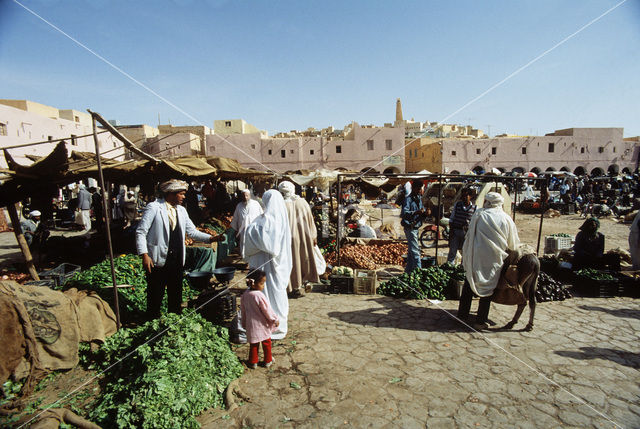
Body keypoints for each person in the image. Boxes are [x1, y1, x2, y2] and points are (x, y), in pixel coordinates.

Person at [136, 179, 223, 318]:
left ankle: (173, 321)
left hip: (176, 260)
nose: (184, 197)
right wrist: (144, 255)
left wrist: (211, 238)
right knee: (155, 294)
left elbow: (192, 232)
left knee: (175, 294)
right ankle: (152, 321)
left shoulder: (181, 210)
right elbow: (141, 232)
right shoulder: (154, 207)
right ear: (171, 193)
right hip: (157, 259)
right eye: (181, 194)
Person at [457, 192, 520, 330]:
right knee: (488, 289)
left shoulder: (480, 215)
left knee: (469, 283)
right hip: (494, 260)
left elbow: (469, 235)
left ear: (488, 202)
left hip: (476, 258)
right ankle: (480, 320)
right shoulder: (506, 218)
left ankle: (462, 315)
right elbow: (513, 244)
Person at [243, 190, 292, 340]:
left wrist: (252, 232)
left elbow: (269, 244)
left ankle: (273, 325)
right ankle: (270, 323)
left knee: (269, 292)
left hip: (269, 264)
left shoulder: (269, 221)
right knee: (271, 293)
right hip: (272, 264)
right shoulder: (278, 219)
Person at [278, 181, 321, 297]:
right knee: (302, 259)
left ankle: (291, 286)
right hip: (303, 237)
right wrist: (313, 235)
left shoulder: (280, 204)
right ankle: (300, 284)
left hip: (286, 239)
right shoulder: (302, 202)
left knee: (291, 262)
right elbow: (310, 221)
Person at [241, 269, 279, 369]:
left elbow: (243, 310)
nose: (263, 286)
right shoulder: (259, 296)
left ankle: (253, 362)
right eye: (262, 283)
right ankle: (268, 360)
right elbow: (267, 310)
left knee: (253, 344)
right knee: (266, 343)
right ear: (253, 284)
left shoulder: (245, 295)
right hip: (261, 325)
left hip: (251, 325)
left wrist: (243, 322)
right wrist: (274, 319)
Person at [446, 188, 476, 265]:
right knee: (452, 251)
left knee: (465, 252)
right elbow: (452, 219)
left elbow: (474, 222)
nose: (464, 197)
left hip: (466, 233)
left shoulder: (475, 208)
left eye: (466, 195)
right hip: (456, 231)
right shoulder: (457, 205)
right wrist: (451, 231)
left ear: (470, 196)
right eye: (463, 196)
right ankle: (449, 267)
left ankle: (463, 268)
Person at [401, 180, 425, 273]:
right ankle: (419, 272)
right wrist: (416, 212)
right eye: (418, 189)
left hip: (416, 227)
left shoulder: (418, 198)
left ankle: (407, 272)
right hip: (410, 227)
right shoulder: (408, 199)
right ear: (413, 188)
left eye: (420, 189)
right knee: (415, 252)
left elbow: (421, 209)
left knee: (411, 253)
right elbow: (404, 213)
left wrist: (425, 212)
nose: (419, 190)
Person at [230, 189, 263, 255]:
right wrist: (235, 229)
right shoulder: (239, 206)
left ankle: (252, 261)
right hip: (243, 231)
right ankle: (245, 260)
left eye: (247, 196)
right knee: (244, 245)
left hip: (254, 230)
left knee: (253, 245)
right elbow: (235, 218)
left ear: (250, 196)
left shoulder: (256, 204)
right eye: (243, 196)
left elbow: (261, 215)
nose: (245, 198)